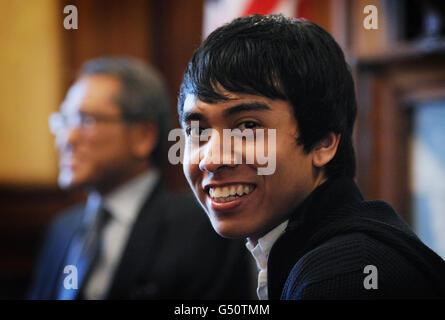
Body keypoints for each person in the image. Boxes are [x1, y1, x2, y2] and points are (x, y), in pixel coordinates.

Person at [178, 14, 445, 299]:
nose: (211, 159)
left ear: (322, 143)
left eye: (248, 127)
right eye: (199, 131)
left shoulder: (345, 274)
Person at [29, 57, 252, 300]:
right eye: (63, 121)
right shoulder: (62, 228)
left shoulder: (204, 227)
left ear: (143, 136)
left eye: (86, 121)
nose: (66, 139)